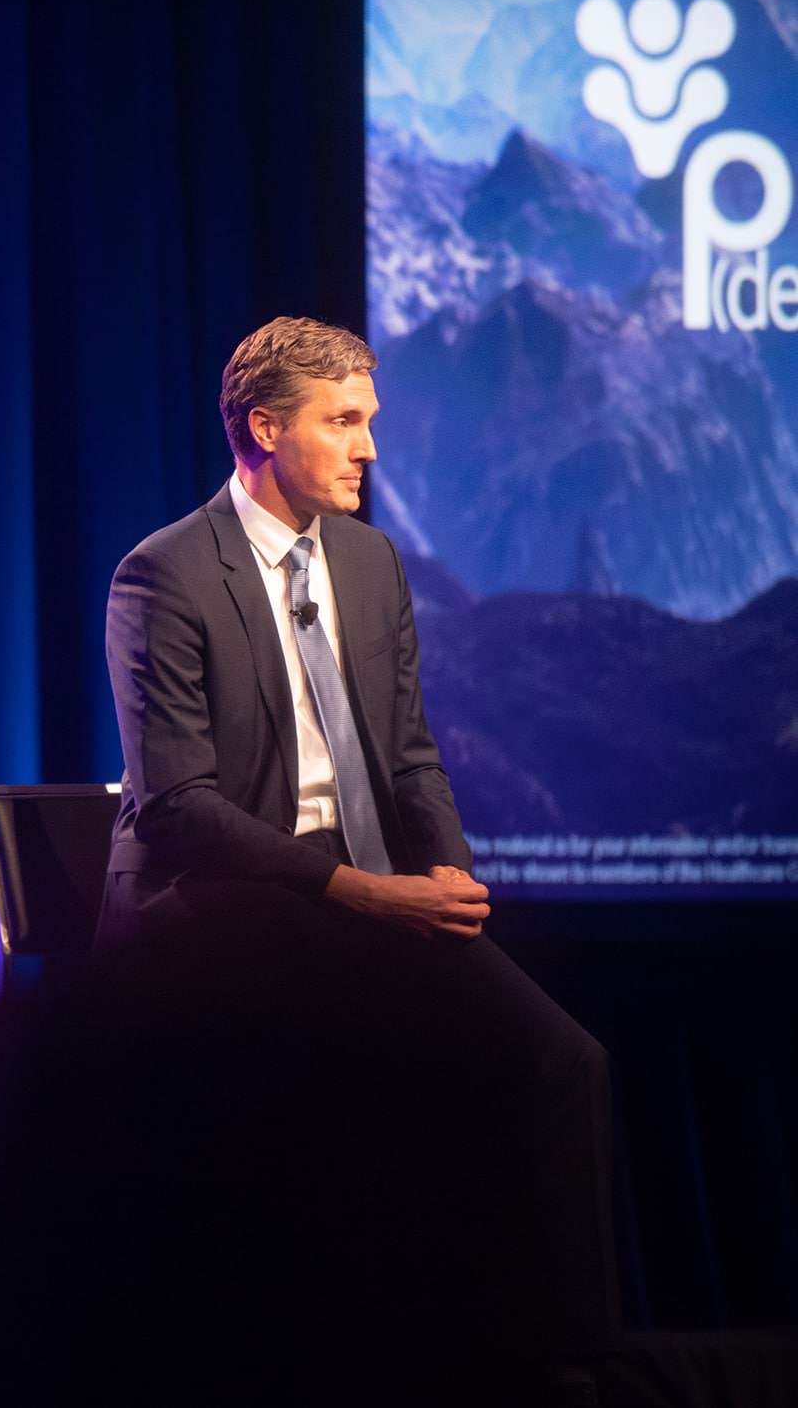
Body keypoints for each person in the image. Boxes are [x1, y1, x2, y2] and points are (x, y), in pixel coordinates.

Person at [97, 316, 617, 1398]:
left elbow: (411, 753)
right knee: (351, 1079)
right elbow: (179, 807)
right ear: (262, 429)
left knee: (561, 1060)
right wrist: (360, 893)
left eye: (367, 421)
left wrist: (450, 879)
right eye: (343, 423)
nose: (368, 448)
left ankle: (564, 1366)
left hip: (364, 887)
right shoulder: (165, 576)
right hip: (225, 895)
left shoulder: (373, 563)